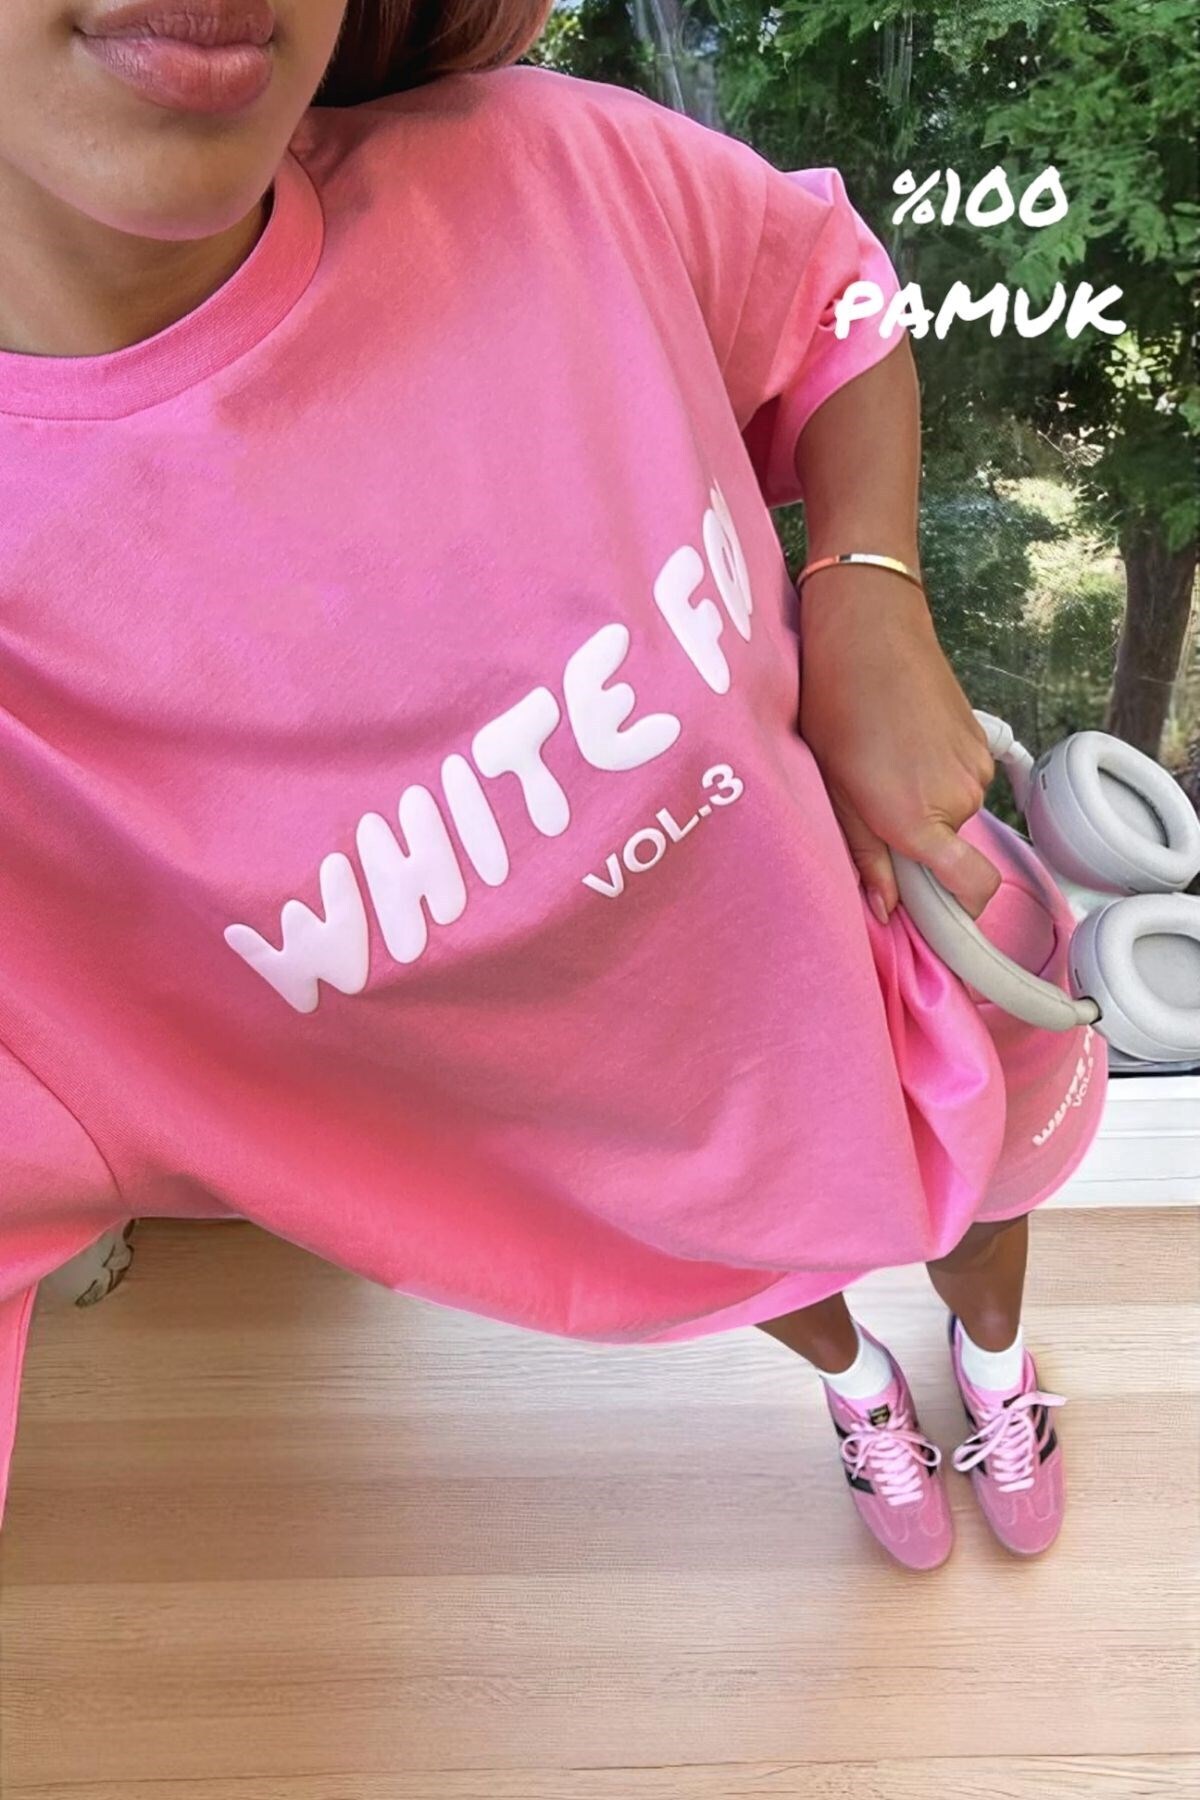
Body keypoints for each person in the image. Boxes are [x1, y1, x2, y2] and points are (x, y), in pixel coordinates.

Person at [0, 0, 1106, 1566]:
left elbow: (830, 293)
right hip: (641, 1146)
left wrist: (867, 588)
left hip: (900, 926)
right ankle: (860, 1386)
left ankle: (992, 1365)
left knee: (989, 1202)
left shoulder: (547, 172)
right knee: (777, 1271)